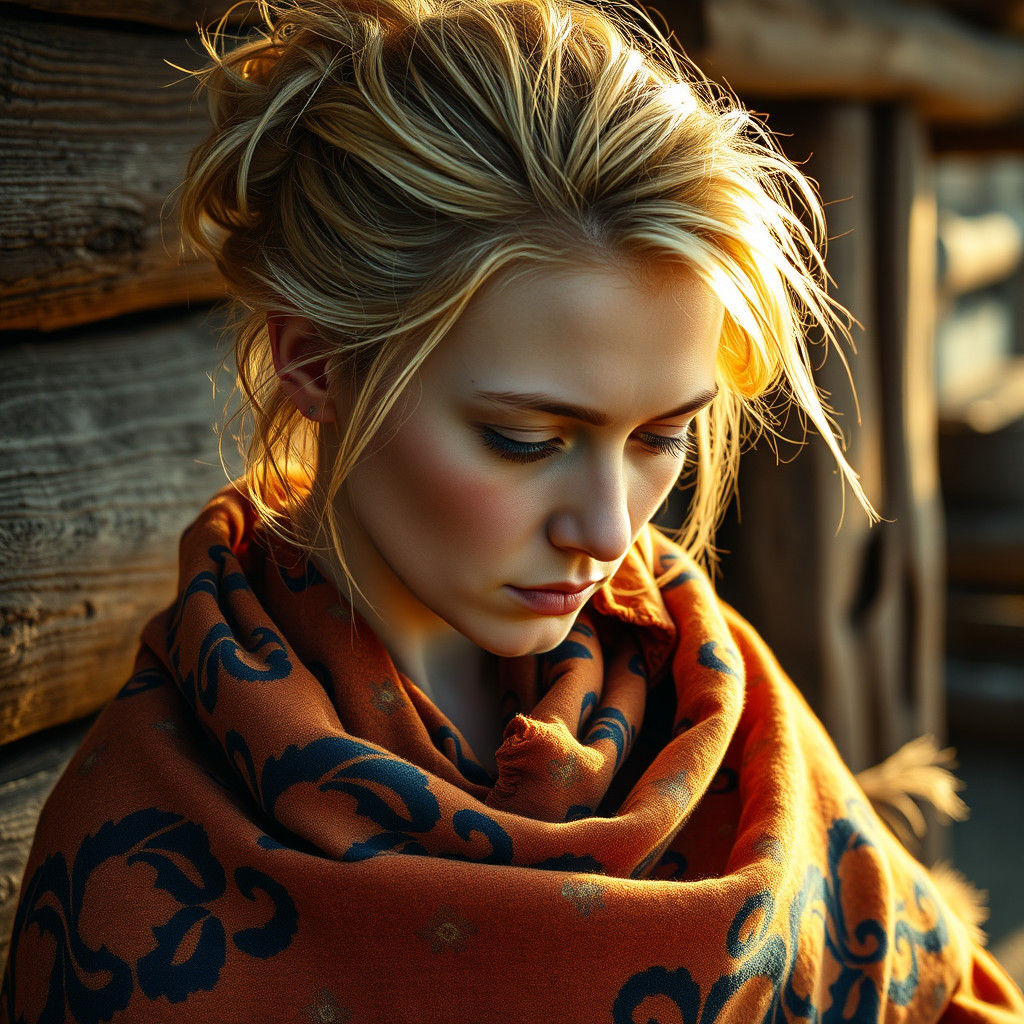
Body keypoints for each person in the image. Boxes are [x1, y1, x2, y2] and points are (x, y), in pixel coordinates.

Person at [2, 0, 1022, 1021]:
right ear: (313, 362)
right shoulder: (137, 860)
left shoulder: (703, 683)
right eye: (526, 440)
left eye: (661, 436)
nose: (610, 534)